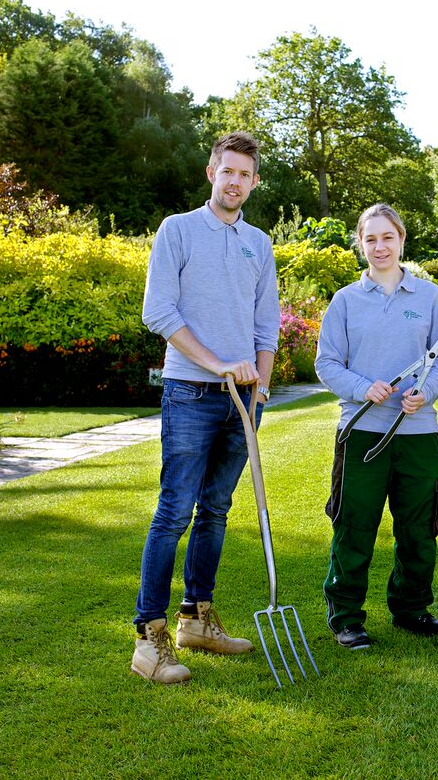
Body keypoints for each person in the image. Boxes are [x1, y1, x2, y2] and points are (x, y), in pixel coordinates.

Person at [131, 131, 281, 684]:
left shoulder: (258, 244)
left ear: (255, 182)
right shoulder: (178, 230)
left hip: (245, 400)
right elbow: (159, 312)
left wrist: (260, 385)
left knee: (216, 510)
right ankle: (149, 638)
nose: (235, 182)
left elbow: (267, 325)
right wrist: (216, 362)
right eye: (228, 171)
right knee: (174, 511)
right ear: (210, 173)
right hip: (191, 393)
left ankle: (196, 617)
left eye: (245, 174)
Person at [315, 203, 438, 650]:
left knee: (419, 529)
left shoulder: (430, 297)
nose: (380, 246)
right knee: (354, 525)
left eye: (388, 237)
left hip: (417, 434)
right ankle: (346, 617)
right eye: (371, 239)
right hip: (361, 433)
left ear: (401, 240)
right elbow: (326, 363)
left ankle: (411, 608)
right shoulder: (345, 300)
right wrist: (362, 388)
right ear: (361, 243)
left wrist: (426, 393)